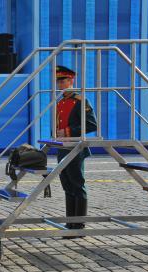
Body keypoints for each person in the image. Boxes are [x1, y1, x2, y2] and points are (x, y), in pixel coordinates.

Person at [55, 66, 97, 238]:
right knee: (67, 183)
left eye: (63, 80)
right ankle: (70, 222)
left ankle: (78, 224)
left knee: (77, 183)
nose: (60, 84)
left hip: (75, 146)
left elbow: (92, 124)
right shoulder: (61, 101)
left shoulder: (80, 101)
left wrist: (68, 132)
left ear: (72, 81)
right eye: (58, 81)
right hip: (63, 147)